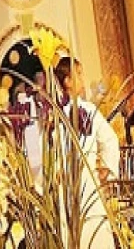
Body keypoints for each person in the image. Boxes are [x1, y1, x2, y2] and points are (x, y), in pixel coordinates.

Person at [54, 56, 120, 249]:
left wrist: (104, 170)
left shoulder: (57, 113)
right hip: (76, 186)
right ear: (67, 81)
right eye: (79, 74)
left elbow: (109, 140)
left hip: (80, 185)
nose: (83, 79)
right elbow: (110, 140)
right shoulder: (67, 112)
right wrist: (107, 169)